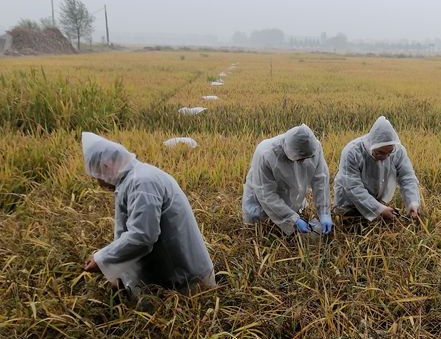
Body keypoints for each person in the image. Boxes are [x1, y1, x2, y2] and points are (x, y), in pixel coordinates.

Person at [81, 132, 215, 297]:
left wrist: (102, 260)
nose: (99, 183)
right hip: (172, 277)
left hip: (184, 284)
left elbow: (142, 237)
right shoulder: (134, 179)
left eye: (97, 175)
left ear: (107, 165)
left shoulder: (142, 183)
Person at [242, 124, 333, 235]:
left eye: (306, 158)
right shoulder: (266, 153)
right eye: (300, 159)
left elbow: (320, 180)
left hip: (292, 197)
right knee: (264, 231)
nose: (303, 162)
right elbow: (266, 194)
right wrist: (292, 219)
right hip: (262, 204)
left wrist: (324, 212)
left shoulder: (313, 148)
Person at [334, 116, 421, 221]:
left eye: (389, 152)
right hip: (348, 202)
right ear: (372, 145)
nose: (385, 156)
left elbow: (407, 177)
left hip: (377, 200)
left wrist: (412, 202)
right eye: (380, 152)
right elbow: (353, 187)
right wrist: (378, 209)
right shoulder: (352, 152)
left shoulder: (398, 151)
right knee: (351, 225)